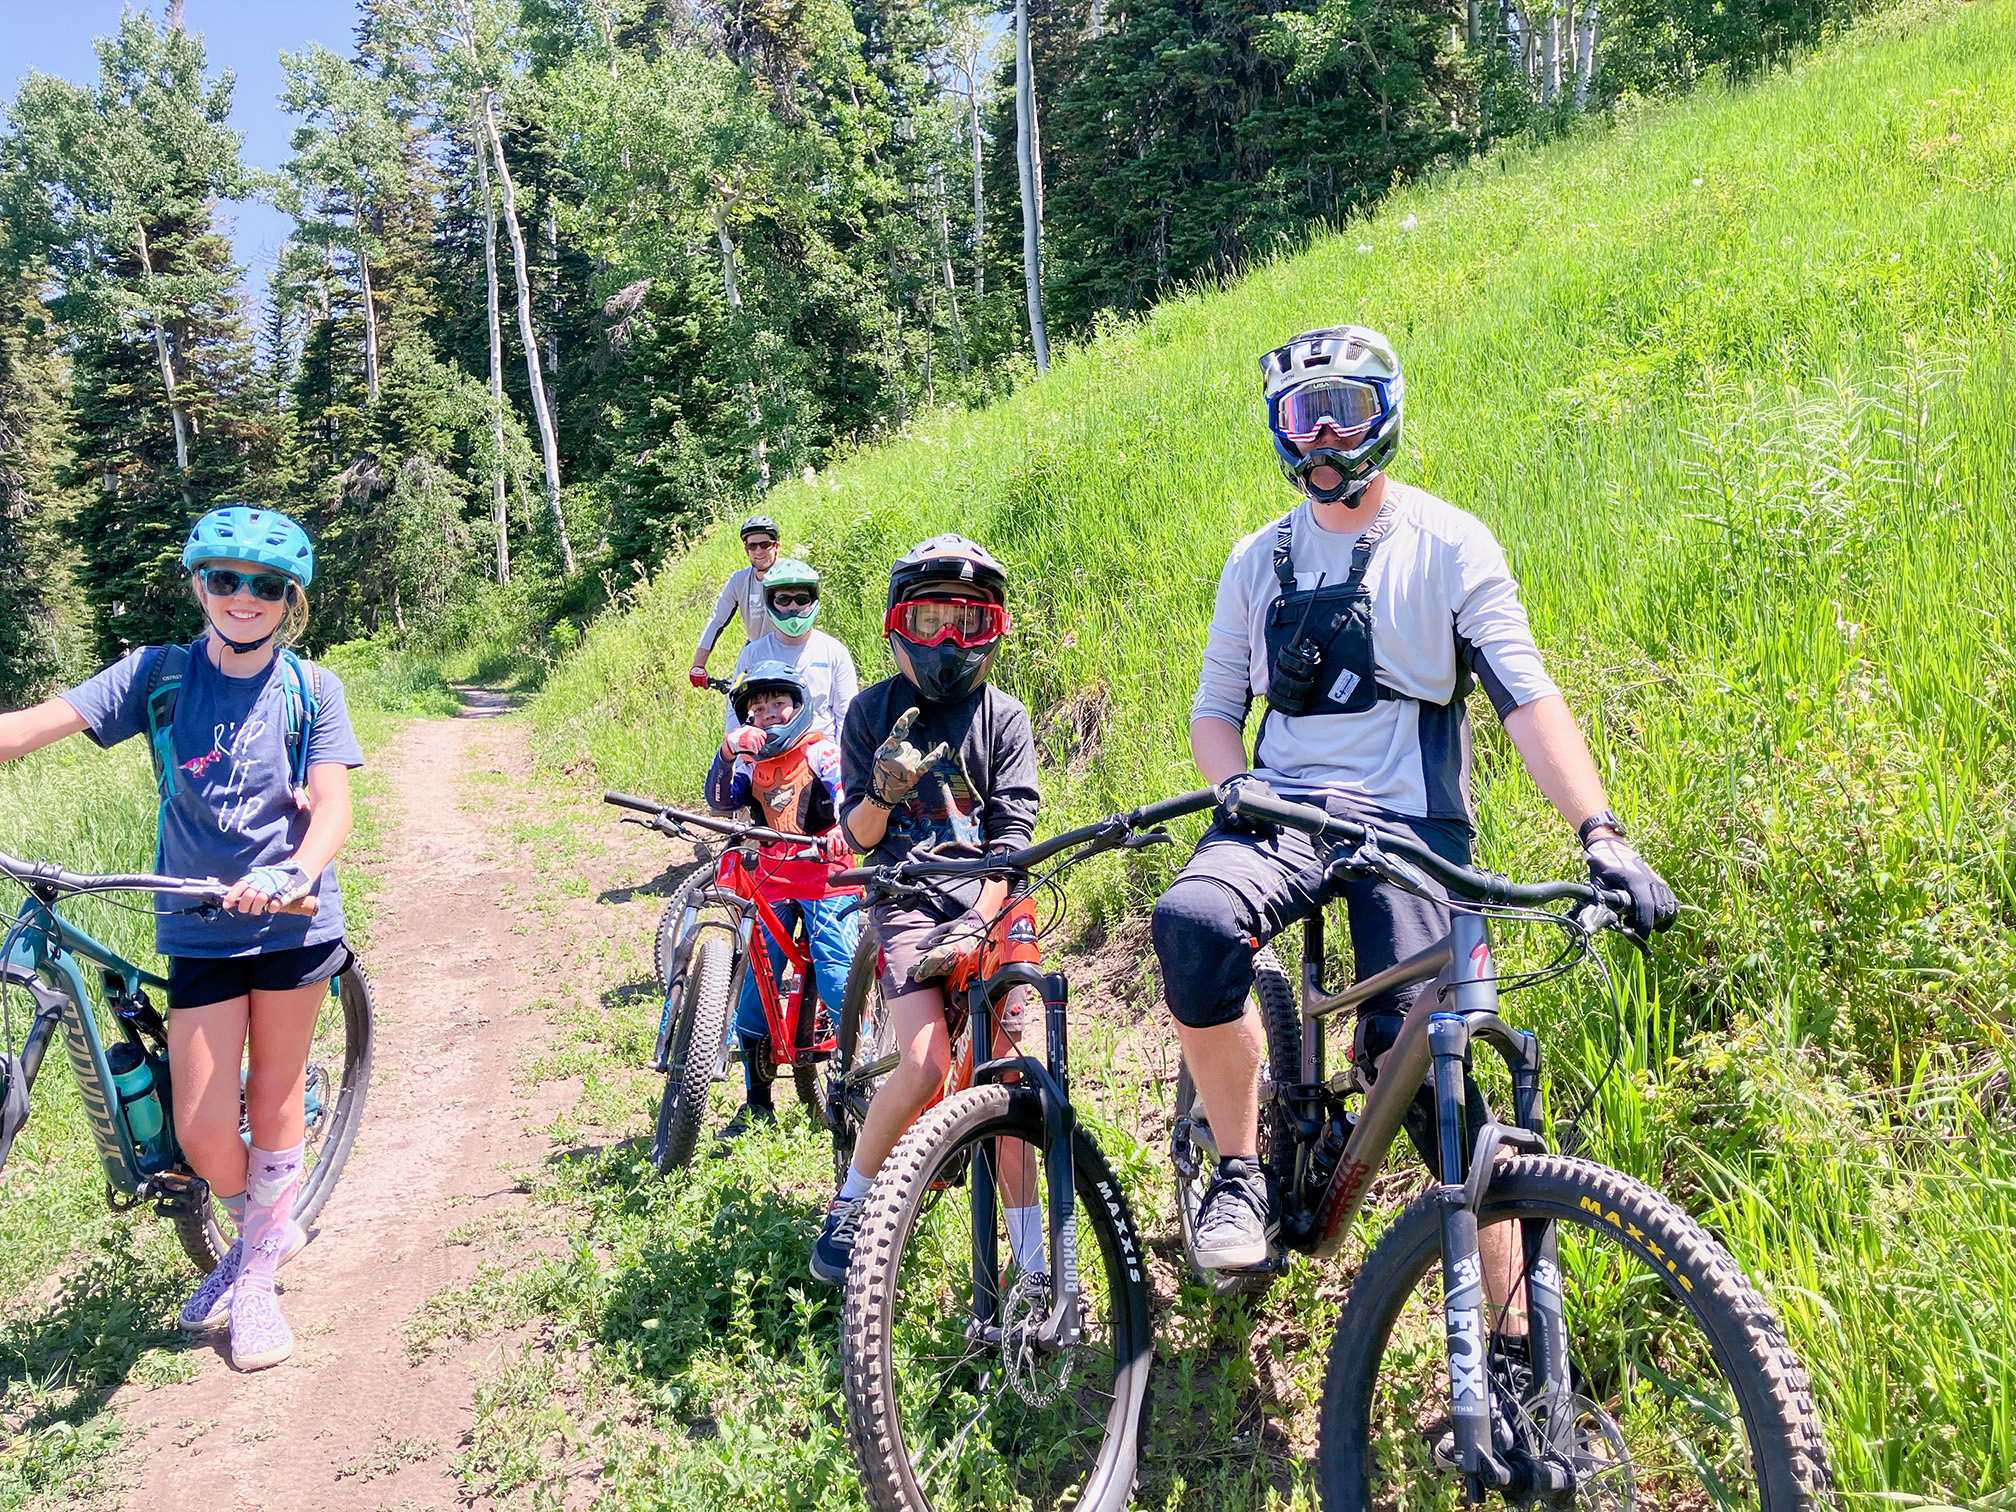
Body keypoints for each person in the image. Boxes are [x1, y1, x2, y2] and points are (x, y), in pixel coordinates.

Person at [1151, 326, 1678, 1273]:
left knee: (1429, 1060)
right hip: (1281, 816)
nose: (1319, 438)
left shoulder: (1448, 544)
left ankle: (1512, 1348)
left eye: (1340, 412)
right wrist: (1238, 790)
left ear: (1384, 414)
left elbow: (1526, 696)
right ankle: (1238, 1170)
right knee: (1192, 920)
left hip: (1409, 826)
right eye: (1299, 417)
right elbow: (1216, 712)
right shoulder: (1253, 562)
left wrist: (1600, 832)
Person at [0, 505, 365, 1372]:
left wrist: (299, 871)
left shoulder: (313, 689)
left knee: (272, 1095)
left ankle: (256, 1276)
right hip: (195, 924)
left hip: (289, 920)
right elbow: (25, 731)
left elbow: (334, 805)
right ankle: (259, 1239)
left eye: (267, 586)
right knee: (203, 1131)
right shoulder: (154, 677)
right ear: (200, 584)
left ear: (290, 601)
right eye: (227, 580)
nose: (245, 598)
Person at [808, 534, 1041, 1286]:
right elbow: (856, 837)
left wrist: (980, 917)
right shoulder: (871, 712)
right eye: (933, 619)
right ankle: (850, 1203)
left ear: (994, 630)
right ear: (896, 625)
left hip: (994, 898)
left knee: (1017, 1076)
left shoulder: (1005, 718)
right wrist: (884, 791)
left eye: (969, 624)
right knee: (923, 1064)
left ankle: (1032, 1266)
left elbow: (1014, 839)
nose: (950, 641)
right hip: (905, 898)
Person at [703, 661, 860, 1145]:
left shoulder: (822, 751)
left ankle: (858, 1084)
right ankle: (757, 1103)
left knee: (839, 977)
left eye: (778, 705)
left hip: (825, 876)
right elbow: (721, 801)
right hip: (770, 875)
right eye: (758, 709)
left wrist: (839, 831)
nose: (769, 715)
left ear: (798, 704)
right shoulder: (749, 759)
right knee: (756, 980)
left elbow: (848, 798)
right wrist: (727, 753)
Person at [718, 558, 858, 755]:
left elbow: (847, 717)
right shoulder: (753, 653)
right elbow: (735, 712)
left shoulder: (834, 652)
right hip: (766, 760)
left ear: (812, 601)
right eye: (784, 600)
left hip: (821, 762)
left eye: (801, 600)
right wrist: (739, 756)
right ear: (771, 602)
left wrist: (846, 769)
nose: (793, 607)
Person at [688, 515, 781, 686]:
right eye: (752, 546)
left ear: (777, 546)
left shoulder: (790, 575)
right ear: (746, 550)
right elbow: (716, 621)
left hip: (787, 653)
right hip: (754, 655)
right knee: (736, 706)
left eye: (765, 544)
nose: (759, 550)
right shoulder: (739, 580)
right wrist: (698, 665)